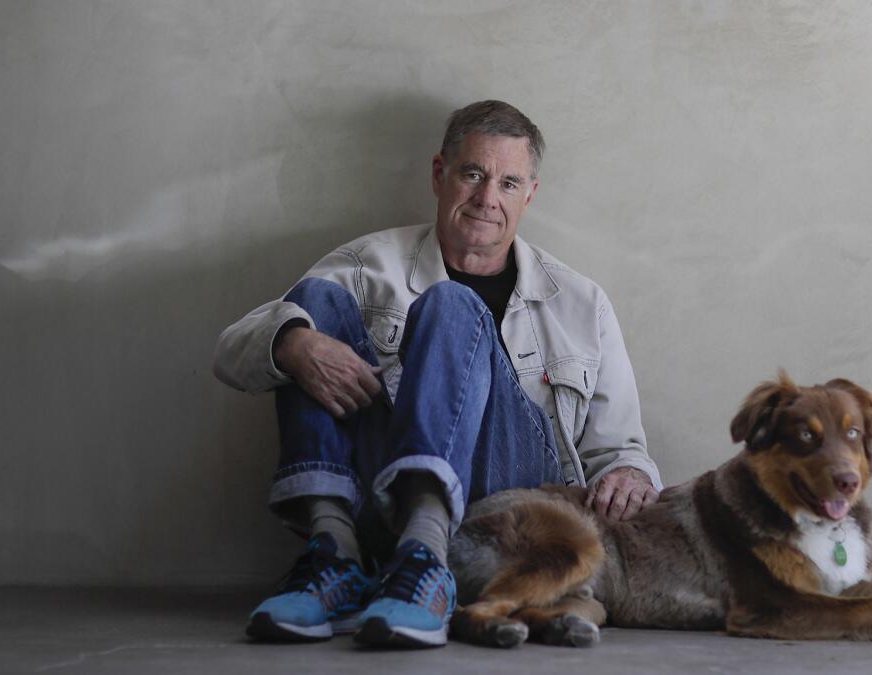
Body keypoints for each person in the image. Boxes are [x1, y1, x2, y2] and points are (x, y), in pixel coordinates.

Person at [213, 100, 662, 648]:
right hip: (384, 504)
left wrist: (632, 475)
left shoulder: (581, 303)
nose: (487, 199)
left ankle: (428, 562)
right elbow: (230, 353)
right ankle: (334, 559)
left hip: (509, 515)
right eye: (473, 174)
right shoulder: (367, 265)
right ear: (439, 174)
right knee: (310, 307)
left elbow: (623, 451)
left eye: (509, 182)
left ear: (531, 194)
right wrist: (294, 343)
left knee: (451, 305)